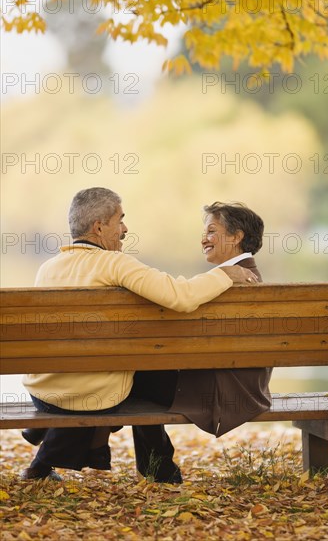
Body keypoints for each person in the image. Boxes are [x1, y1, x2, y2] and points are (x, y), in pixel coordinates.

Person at [21, 188, 258, 482]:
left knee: (139, 368)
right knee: (145, 373)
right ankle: (158, 468)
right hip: (89, 395)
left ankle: (152, 466)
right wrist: (224, 274)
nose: (125, 228)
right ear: (99, 227)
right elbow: (180, 296)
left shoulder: (48, 268)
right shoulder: (115, 264)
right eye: (120, 220)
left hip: (42, 394)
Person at [131, 201, 272, 438]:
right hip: (243, 387)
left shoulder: (233, 282)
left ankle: (157, 466)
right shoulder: (246, 276)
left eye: (211, 231)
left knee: (127, 378)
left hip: (222, 392)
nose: (203, 239)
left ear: (236, 237)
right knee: (139, 374)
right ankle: (157, 466)